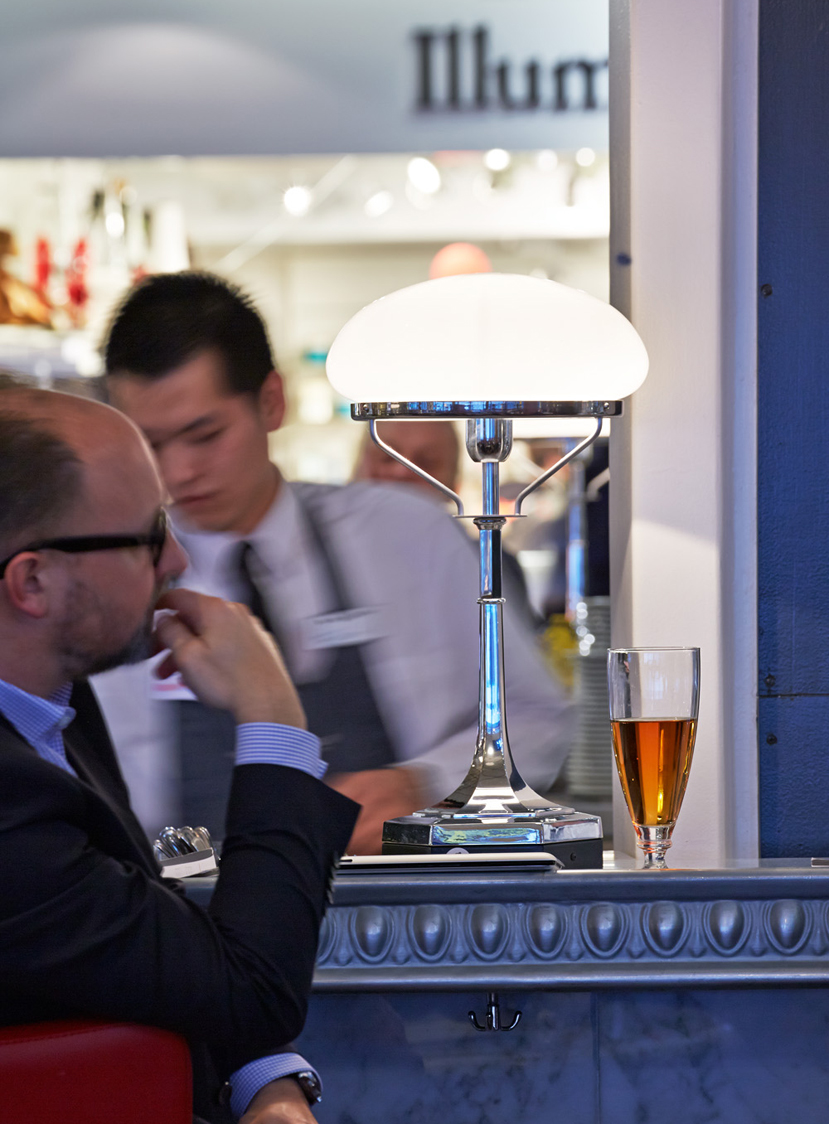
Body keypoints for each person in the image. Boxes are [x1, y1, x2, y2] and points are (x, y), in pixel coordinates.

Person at [97, 271, 574, 853]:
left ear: (271, 401)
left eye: (204, 435)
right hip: (186, 924)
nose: (177, 473)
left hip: (398, 919)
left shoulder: (405, 536)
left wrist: (427, 783)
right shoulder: (104, 581)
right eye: (151, 445)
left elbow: (538, 718)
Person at [0, 382, 358, 1124]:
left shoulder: (53, 705)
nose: (179, 558)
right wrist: (272, 718)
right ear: (32, 580)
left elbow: (151, 947)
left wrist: (266, 1077)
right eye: (146, 534)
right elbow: (250, 984)